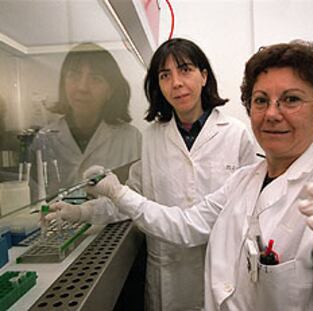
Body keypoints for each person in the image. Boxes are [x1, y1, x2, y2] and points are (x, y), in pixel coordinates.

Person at [50, 40, 313, 310]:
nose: (272, 114)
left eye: (291, 99)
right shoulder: (245, 181)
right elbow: (185, 224)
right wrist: (103, 200)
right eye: (261, 101)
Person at [48, 38, 257, 310]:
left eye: (185, 70)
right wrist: (83, 213)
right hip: (167, 276)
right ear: (158, 85)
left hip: (220, 273)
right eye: (165, 75)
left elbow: (249, 213)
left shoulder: (236, 134)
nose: (177, 82)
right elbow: (130, 200)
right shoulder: (152, 138)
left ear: (203, 76)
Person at [32, 42, 142, 198]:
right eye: (74, 76)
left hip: (112, 222)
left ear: (110, 91)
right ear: (63, 83)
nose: (82, 87)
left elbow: (138, 198)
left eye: (95, 79)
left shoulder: (130, 138)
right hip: (57, 220)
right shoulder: (46, 137)